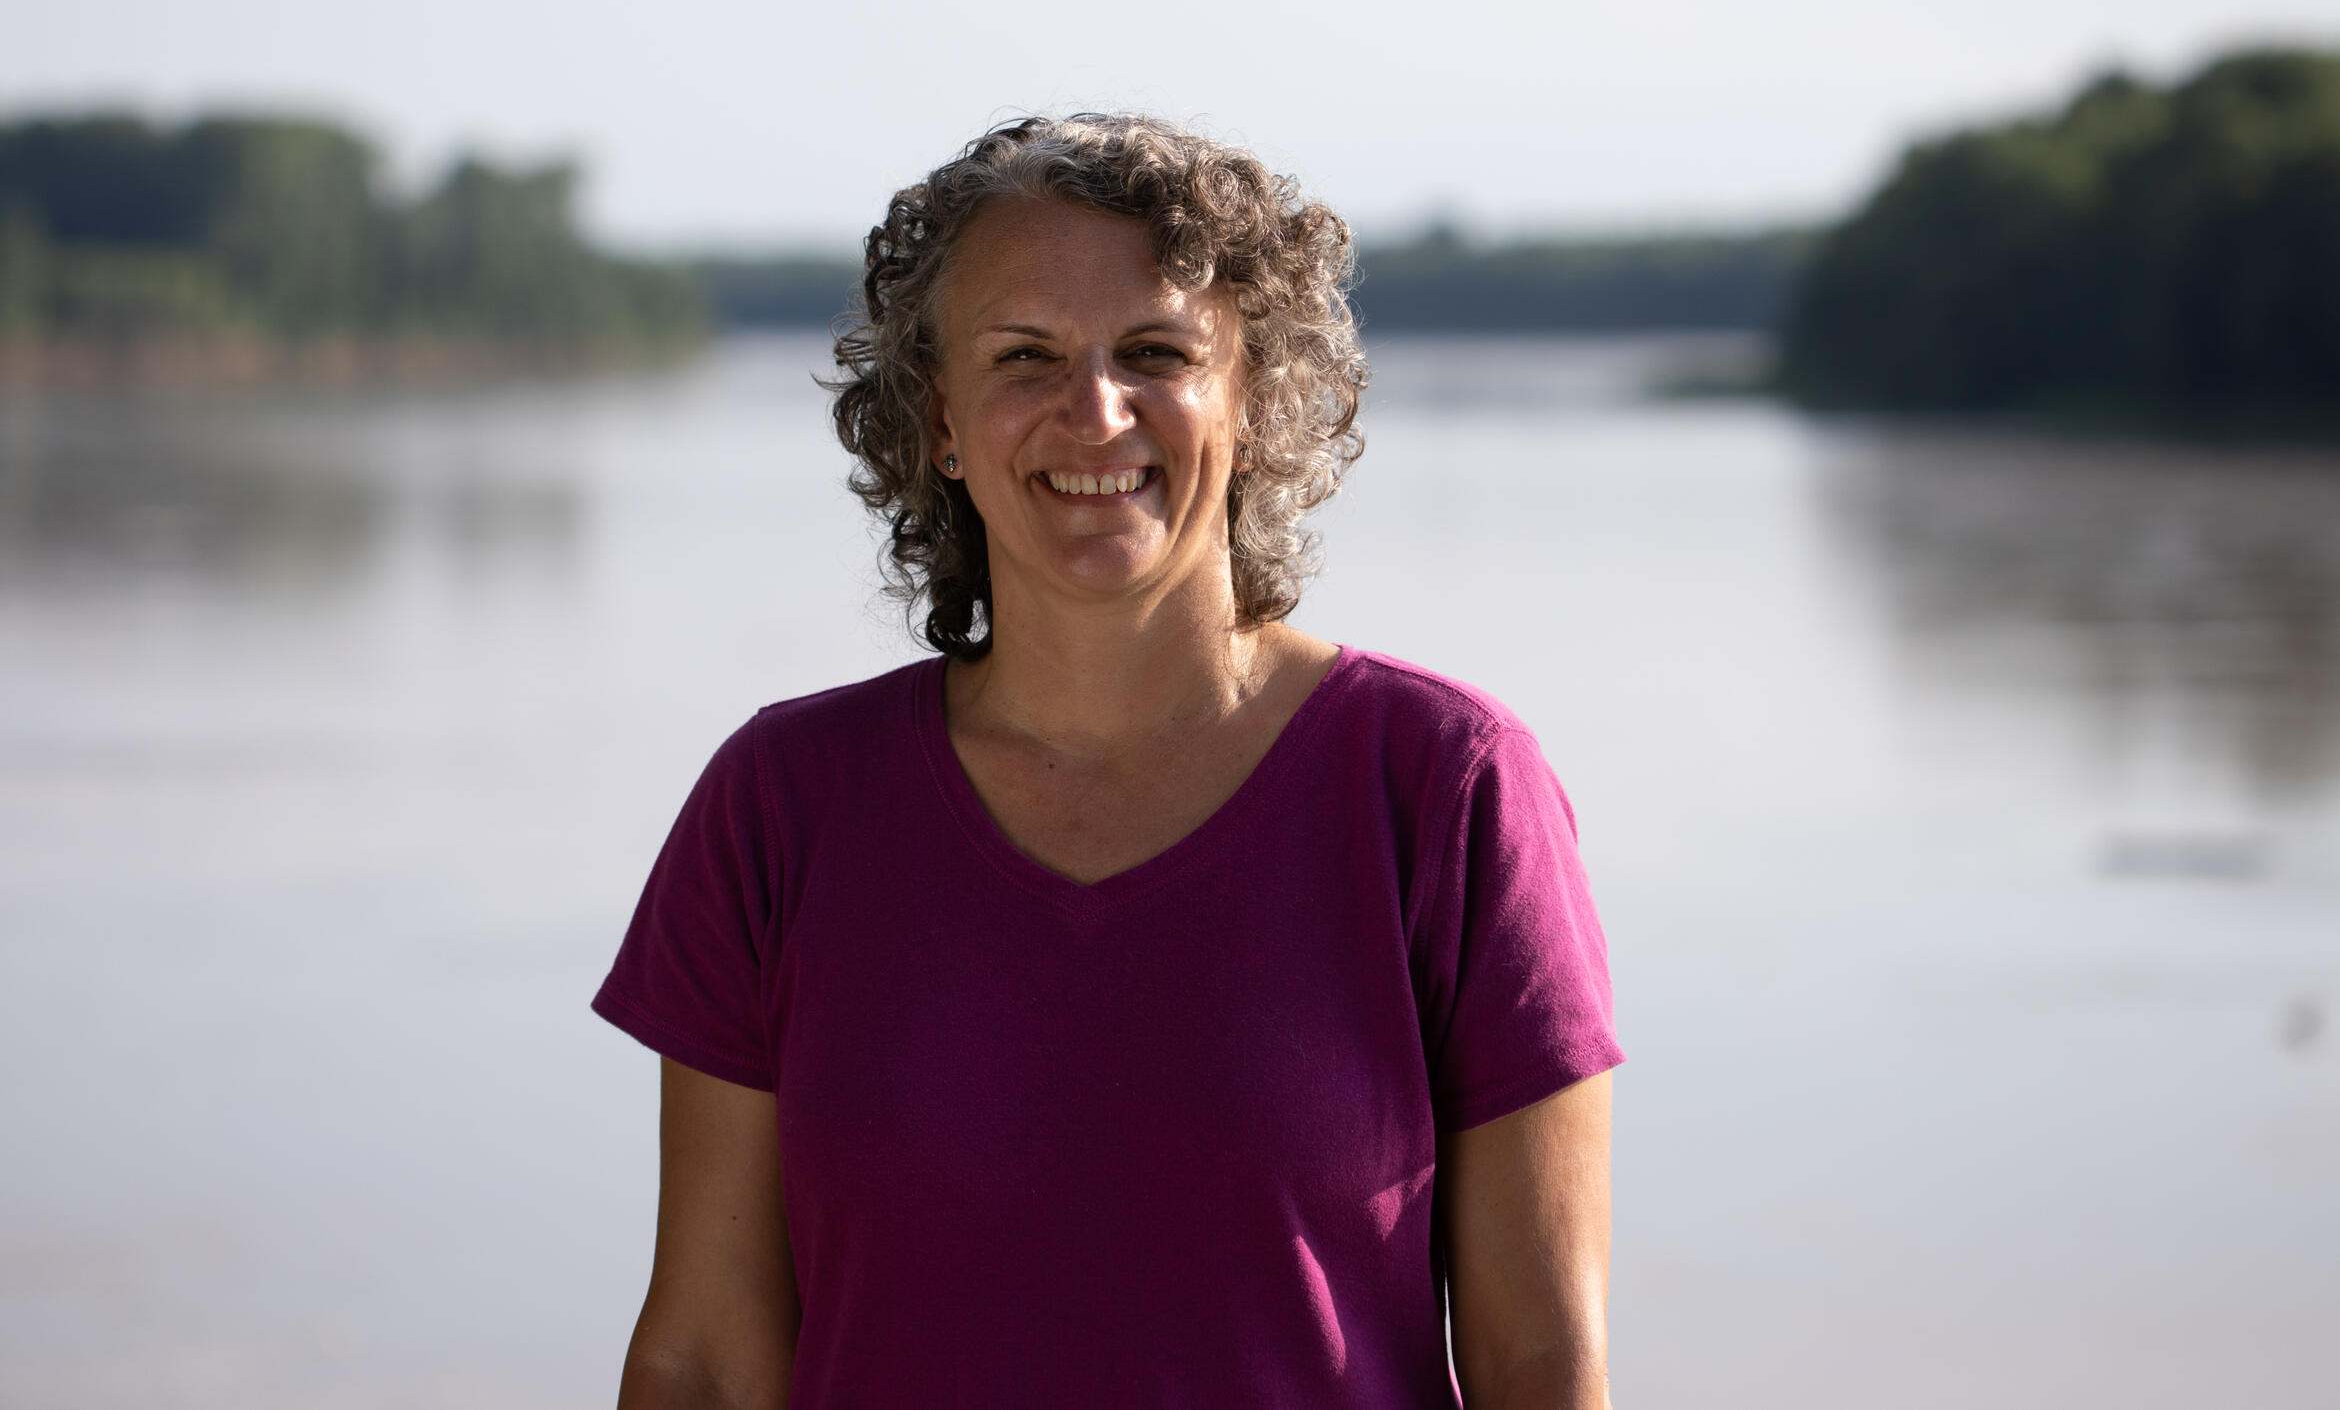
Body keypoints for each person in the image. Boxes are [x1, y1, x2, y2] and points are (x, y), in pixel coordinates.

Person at [591, 112, 1626, 1409]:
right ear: (940, 420)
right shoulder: (781, 808)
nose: (1095, 410)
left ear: (1253, 404)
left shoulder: (1444, 788)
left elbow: (1544, 1361)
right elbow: (701, 1359)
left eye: (1156, 353)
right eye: (1024, 356)